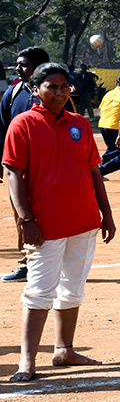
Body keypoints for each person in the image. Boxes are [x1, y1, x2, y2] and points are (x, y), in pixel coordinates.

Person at [3, 62, 116, 381]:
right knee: (39, 290)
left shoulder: (79, 123)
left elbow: (94, 171)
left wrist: (105, 214)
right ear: (36, 90)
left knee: (73, 288)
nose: (60, 92)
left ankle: (64, 350)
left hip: (84, 221)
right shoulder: (23, 124)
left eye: (64, 86)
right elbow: (12, 173)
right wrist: (26, 219)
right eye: (52, 86)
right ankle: (27, 360)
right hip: (45, 225)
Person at [1, 46, 51, 284]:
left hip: (48, 168)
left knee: (50, 214)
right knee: (21, 214)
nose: (18, 68)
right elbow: (3, 131)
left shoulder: (53, 93)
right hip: (19, 169)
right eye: (18, 64)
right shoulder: (12, 93)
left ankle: (52, 261)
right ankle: (27, 263)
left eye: (24, 64)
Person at [96, 76, 120, 158]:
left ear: (116, 84)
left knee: (112, 148)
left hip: (103, 124)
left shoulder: (108, 94)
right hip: (114, 126)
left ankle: (100, 162)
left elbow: (101, 109)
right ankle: (101, 159)